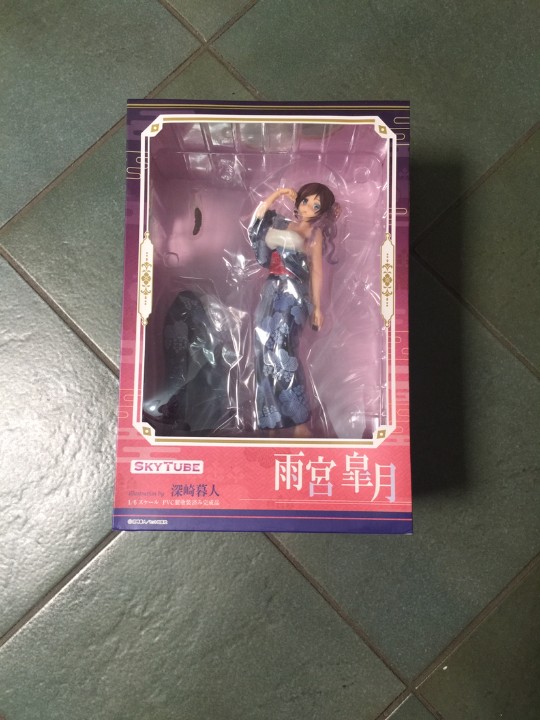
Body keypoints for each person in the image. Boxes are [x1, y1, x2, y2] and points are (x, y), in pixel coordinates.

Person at [248, 182, 339, 437]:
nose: (308, 207)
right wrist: (278, 193)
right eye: (306, 200)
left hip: (293, 295)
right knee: (263, 351)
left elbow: (317, 271)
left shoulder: (314, 233)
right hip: (271, 290)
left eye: (316, 206)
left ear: (322, 212)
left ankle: (299, 421)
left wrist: (318, 307)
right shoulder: (280, 222)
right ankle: (271, 419)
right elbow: (256, 222)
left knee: (283, 350)